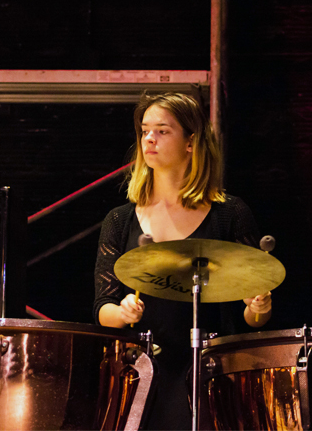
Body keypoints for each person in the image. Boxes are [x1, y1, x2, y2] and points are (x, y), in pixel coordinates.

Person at [93, 92, 272, 430]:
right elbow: (103, 309)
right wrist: (122, 311)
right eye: (145, 130)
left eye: (162, 130)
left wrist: (259, 305)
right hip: (141, 373)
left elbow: (254, 318)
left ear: (191, 142)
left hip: (211, 372)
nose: (149, 139)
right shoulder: (119, 220)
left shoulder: (229, 214)